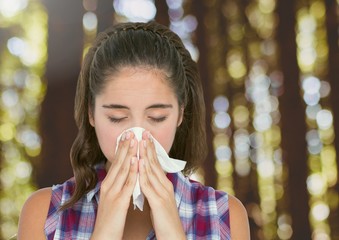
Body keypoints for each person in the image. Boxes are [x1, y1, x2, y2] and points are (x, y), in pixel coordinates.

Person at [18, 21, 250, 239]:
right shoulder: (46, 214)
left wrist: (171, 231)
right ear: (91, 113)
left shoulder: (223, 216)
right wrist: (105, 230)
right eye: (117, 118)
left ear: (180, 114)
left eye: (157, 118)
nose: (138, 136)